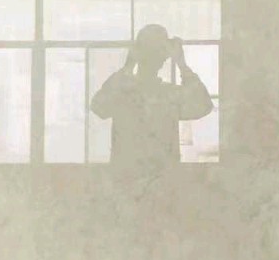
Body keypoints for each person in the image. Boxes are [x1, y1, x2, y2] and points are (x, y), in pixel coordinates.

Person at [90, 24, 213, 169]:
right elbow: (203, 105)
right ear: (164, 59)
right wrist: (182, 65)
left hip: (130, 176)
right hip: (159, 176)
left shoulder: (122, 93)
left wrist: (127, 66)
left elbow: (99, 107)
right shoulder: (170, 95)